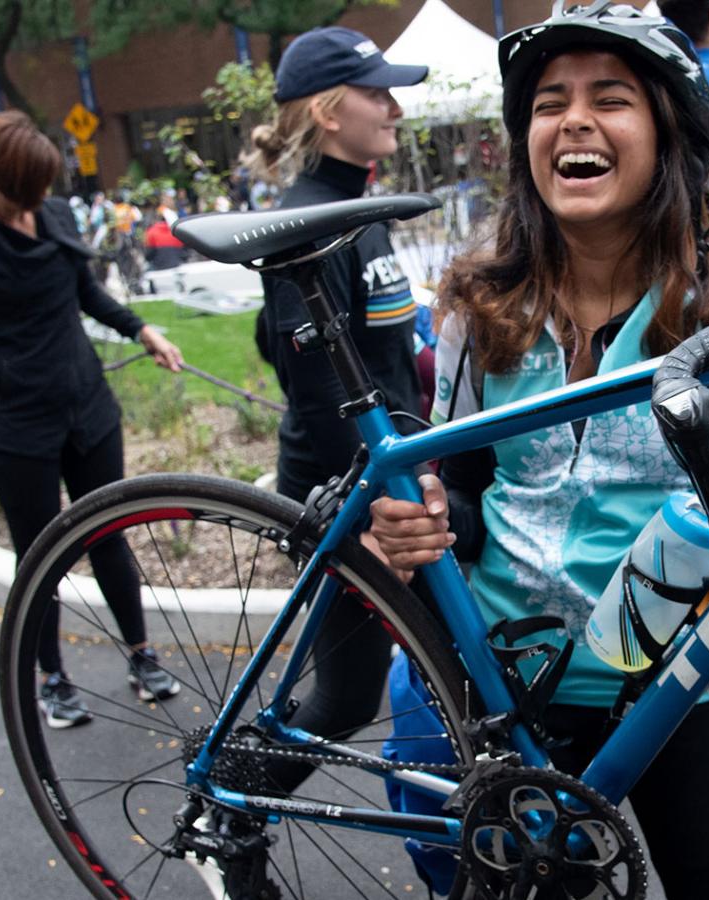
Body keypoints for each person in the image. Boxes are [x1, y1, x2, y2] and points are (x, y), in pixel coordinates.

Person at [369, 5, 709, 897]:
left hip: (678, 688)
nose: (575, 121)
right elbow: (466, 493)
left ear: (667, 137)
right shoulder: (476, 313)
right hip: (503, 682)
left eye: (611, 98)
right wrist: (422, 524)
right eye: (549, 104)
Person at [0, 111, 186, 729]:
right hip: (19, 426)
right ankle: (52, 679)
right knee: (40, 554)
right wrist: (2, 349)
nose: (41, 197)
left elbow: (86, 294)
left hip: (87, 406)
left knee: (108, 533)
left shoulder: (58, 214)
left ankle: (141, 656)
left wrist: (139, 328)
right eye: (31, 186)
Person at [239, 25, 431, 789]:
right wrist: (376, 504)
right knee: (347, 696)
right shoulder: (306, 221)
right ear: (327, 112)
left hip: (395, 482)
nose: (394, 106)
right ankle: (230, 811)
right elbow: (320, 396)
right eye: (377, 92)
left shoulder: (356, 204)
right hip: (347, 495)